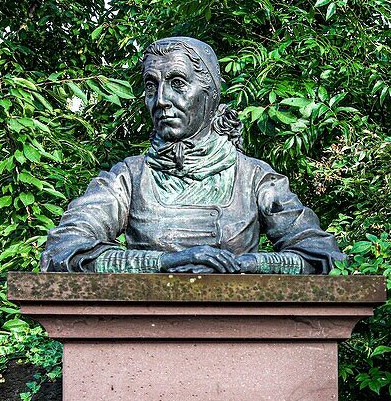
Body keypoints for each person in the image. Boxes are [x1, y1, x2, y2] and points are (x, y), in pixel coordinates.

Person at [39, 37, 346, 275]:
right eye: (151, 86)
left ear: (209, 93)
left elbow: (321, 254)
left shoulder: (255, 179)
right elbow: (63, 249)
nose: (161, 100)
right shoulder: (127, 179)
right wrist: (165, 262)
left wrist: (246, 265)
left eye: (177, 84)